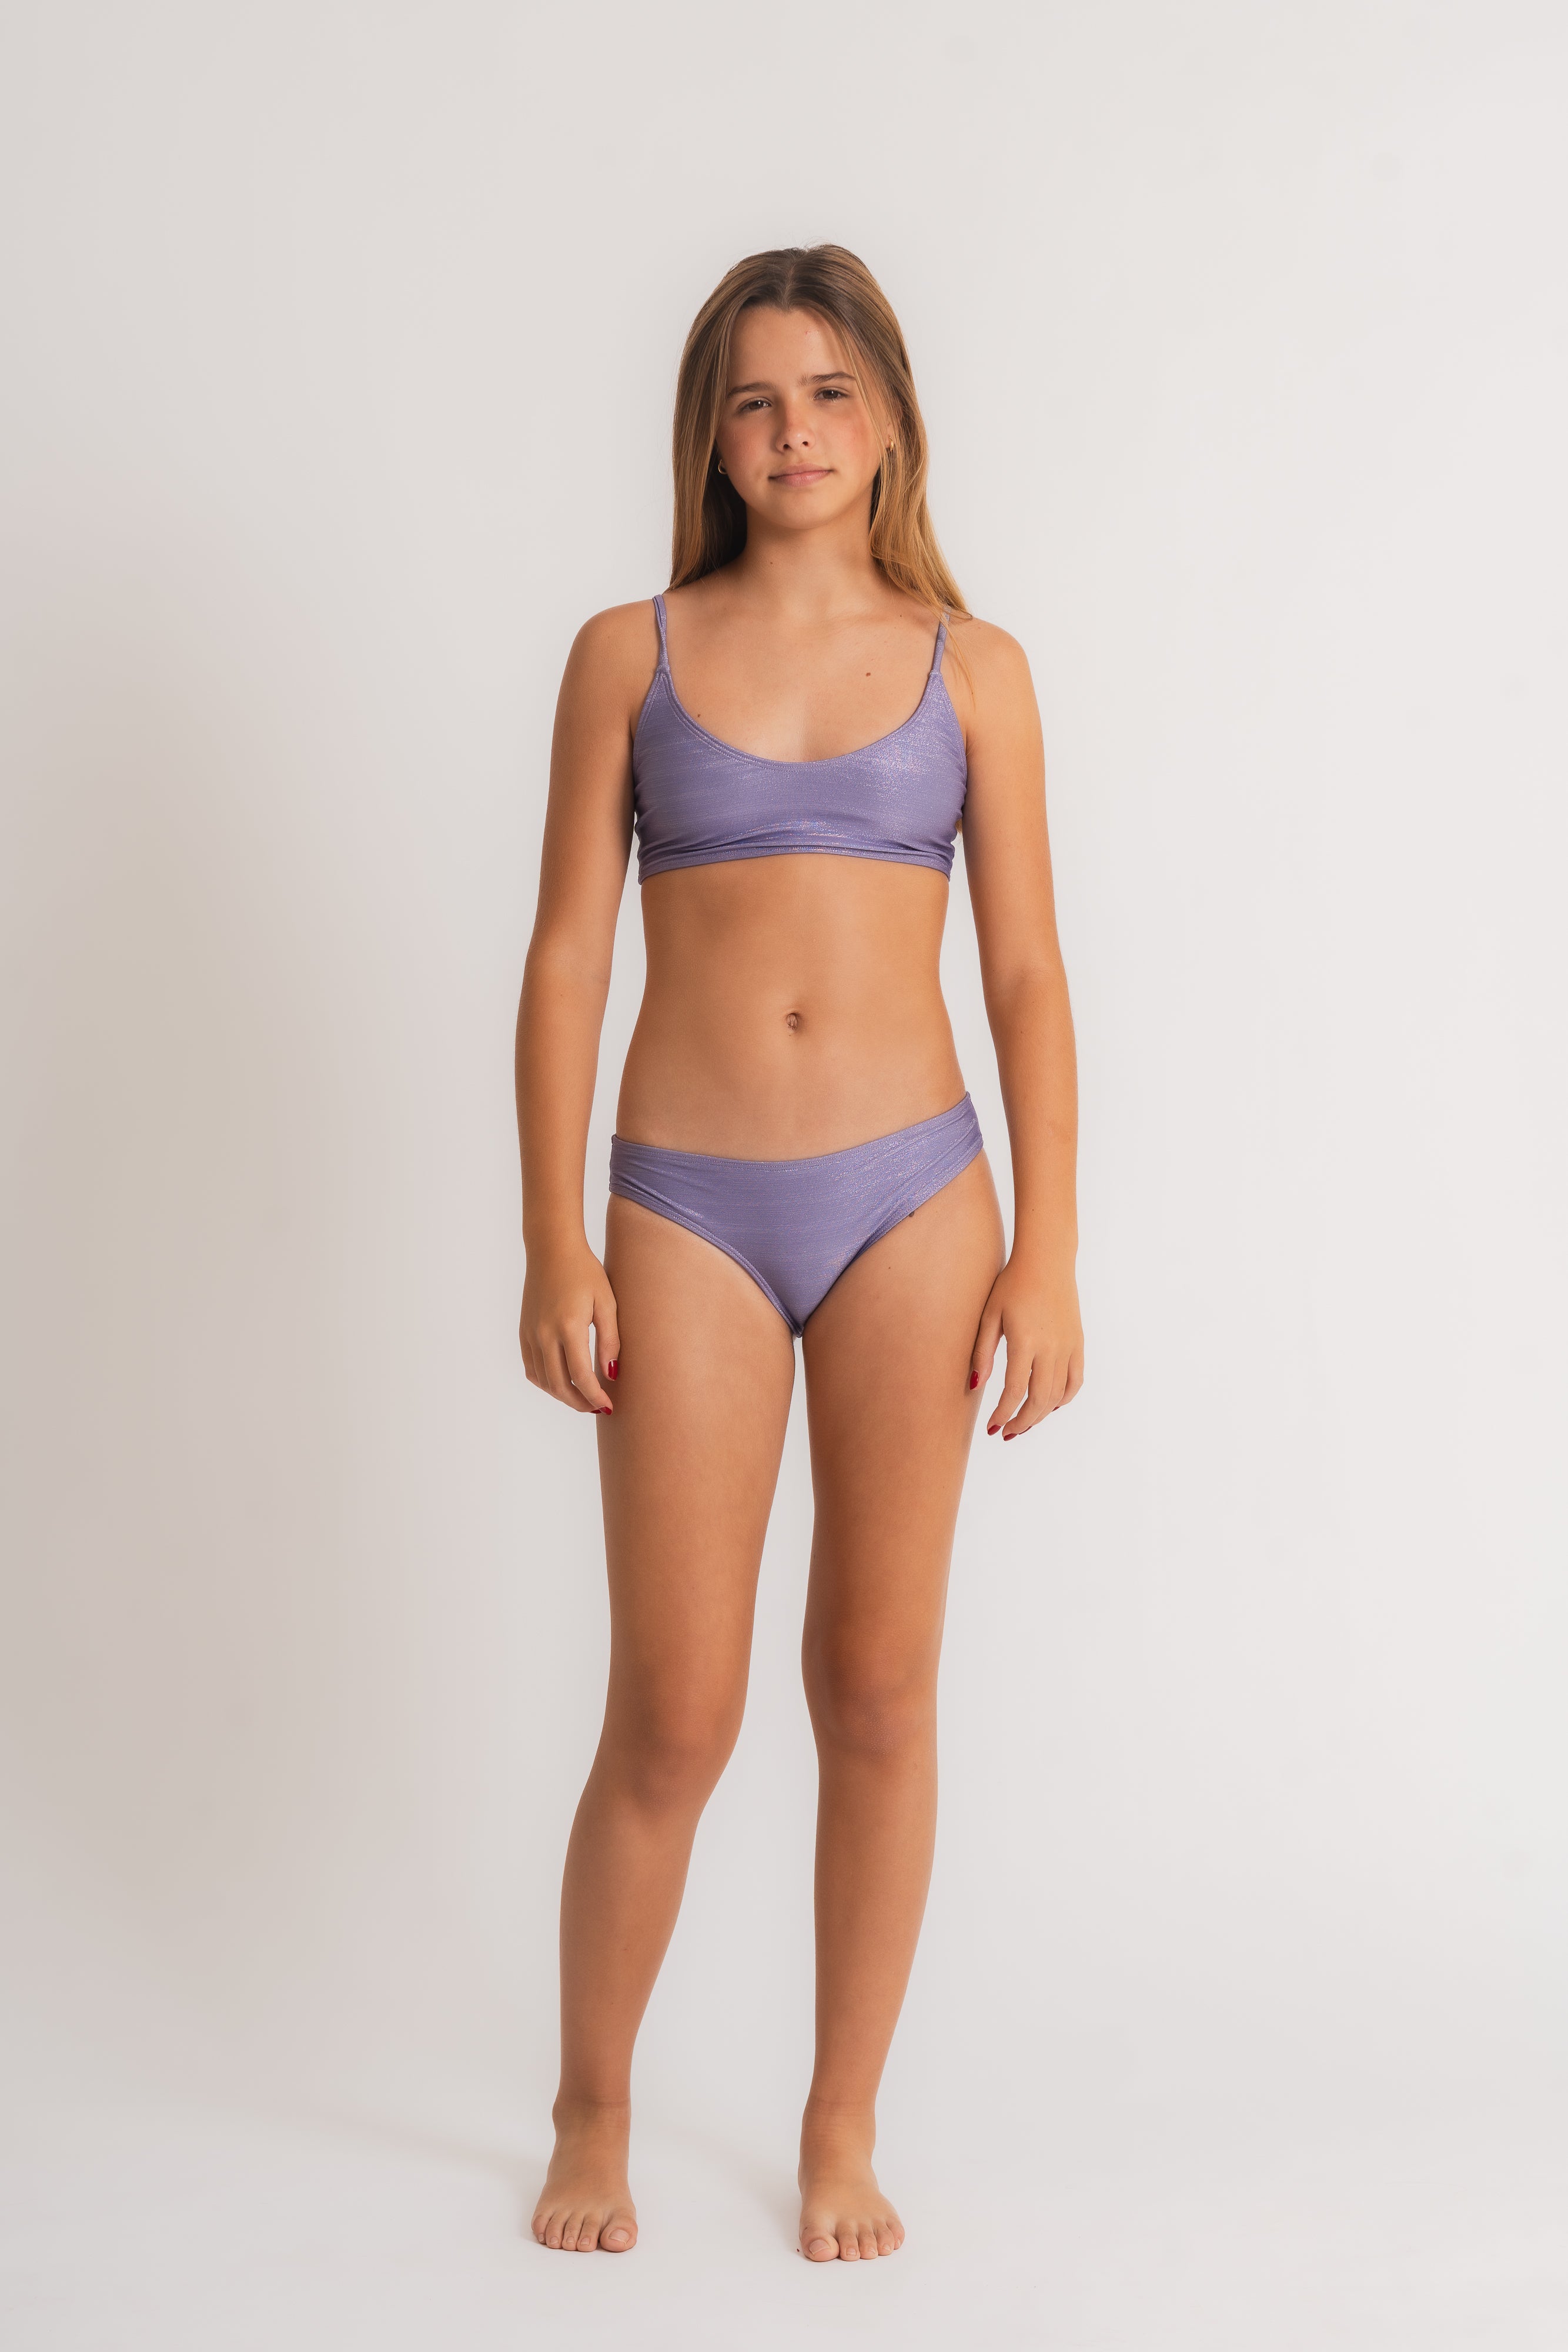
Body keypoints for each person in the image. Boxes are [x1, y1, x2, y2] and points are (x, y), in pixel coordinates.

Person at [515, 244, 1082, 2263]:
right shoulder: (629, 653)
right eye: (754, 399)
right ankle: (593, 2106)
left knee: (877, 1685)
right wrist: (551, 1239)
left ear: (892, 422)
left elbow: (1025, 976)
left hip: (915, 1203)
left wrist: (1050, 1251)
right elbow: (565, 961)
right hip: (683, 1207)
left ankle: (840, 2125)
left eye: (831, 392)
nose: (794, 430)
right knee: (674, 1710)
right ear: (709, 437)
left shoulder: (972, 668)